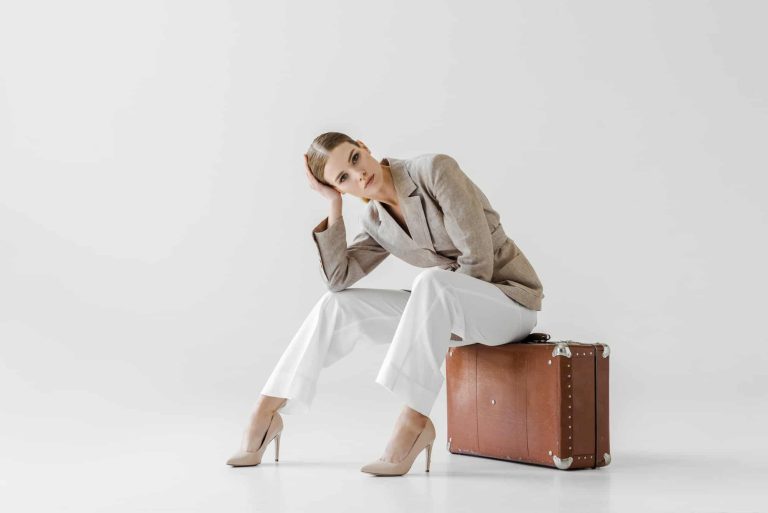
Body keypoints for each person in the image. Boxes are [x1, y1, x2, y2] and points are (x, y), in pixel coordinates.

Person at [226, 132, 545, 476]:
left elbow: (478, 261)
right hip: (446, 308)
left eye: (353, 159)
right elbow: (338, 279)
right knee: (336, 306)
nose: (359, 175)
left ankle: (414, 419)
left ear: (364, 147)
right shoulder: (377, 221)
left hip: (508, 301)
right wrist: (333, 204)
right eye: (343, 179)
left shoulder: (434, 171)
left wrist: (433, 322)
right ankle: (266, 411)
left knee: (431, 282)